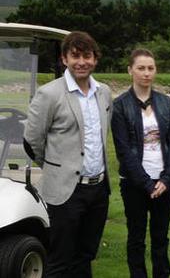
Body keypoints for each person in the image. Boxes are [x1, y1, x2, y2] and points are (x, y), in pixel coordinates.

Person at [23, 31, 112, 277]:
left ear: (95, 59)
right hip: (65, 191)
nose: (81, 61)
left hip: (98, 190)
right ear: (64, 59)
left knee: (85, 256)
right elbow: (32, 141)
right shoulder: (49, 94)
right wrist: (57, 166)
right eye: (75, 56)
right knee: (60, 259)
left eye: (87, 55)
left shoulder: (103, 92)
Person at [111, 49, 170, 278]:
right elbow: (123, 150)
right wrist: (146, 184)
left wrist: (167, 179)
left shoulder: (165, 103)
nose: (146, 73)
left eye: (150, 68)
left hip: (163, 183)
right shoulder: (120, 106)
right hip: (134, 184)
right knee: (136, 237)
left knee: (161, 237)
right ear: (130, 70)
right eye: (141, 68)